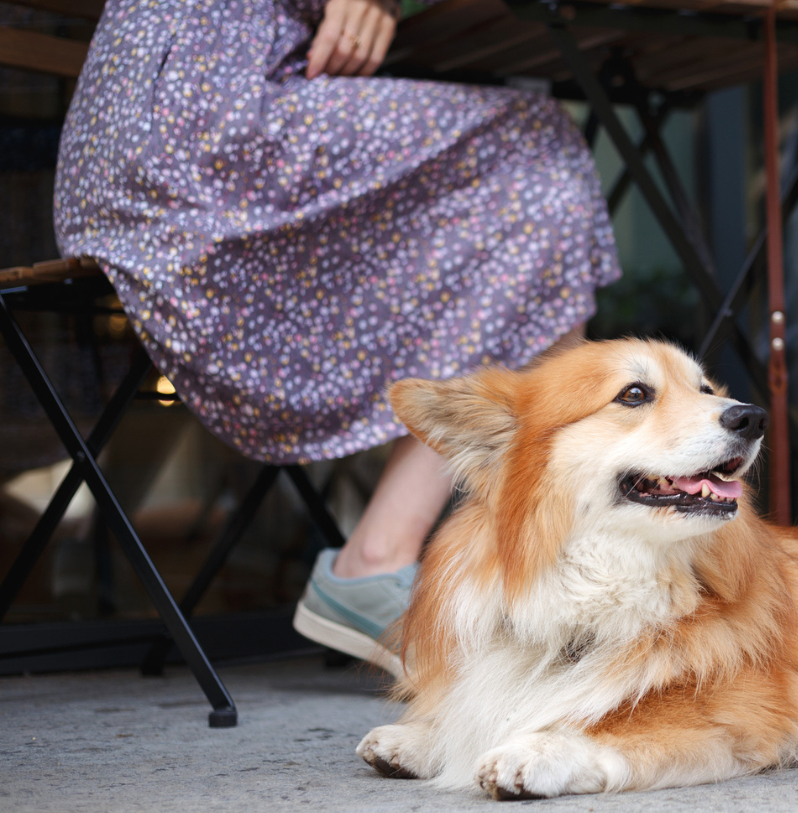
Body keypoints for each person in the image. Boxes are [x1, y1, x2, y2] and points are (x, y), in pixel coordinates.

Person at [53, 0, 620, 674]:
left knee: (533, 201)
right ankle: (466, 566)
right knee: (538, 159)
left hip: (170, 122)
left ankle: (453, 565)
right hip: (196, 119)